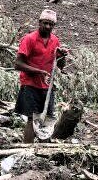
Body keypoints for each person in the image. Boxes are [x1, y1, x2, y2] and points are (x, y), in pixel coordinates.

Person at [14, 9, 67, 143]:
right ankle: (27, 149)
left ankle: (43, 149)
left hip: (47, 85)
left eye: (51, 24)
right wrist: (38, 71)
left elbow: (60, 65)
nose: (48, 27)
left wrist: (62, 56)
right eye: (45, 23)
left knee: (47, 118)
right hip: (30, 84)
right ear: (39, 23)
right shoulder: (29, 39)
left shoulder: (55, 41)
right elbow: (18, 64)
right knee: (32, 118)